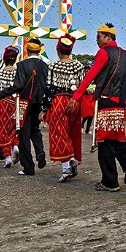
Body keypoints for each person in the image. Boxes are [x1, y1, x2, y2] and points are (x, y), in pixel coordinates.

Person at [68, 23, 126, 192]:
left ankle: (110, 182)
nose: (97, 40)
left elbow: (90, 76)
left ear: (108, 37)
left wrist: (76, 97)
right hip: (120, 103)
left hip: (106, 101)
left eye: (99, 36)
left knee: (104, 142)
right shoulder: (125, 54)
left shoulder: (104, 52)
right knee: (115, 137)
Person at [0, 38, 48, 175]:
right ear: (39, 50)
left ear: (27, 50)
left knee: (23, 134)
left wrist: (2, 93)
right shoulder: (44, 66)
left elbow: (18, 85)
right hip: (38, 102)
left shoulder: (22, 65)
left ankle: (28, 167)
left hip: (24, 103)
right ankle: (40, 152)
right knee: (35, 130)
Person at [46, 35, 86, 182]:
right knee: (71, 131)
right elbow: (82, 84)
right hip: (75, 100)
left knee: (59, 133)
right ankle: (71, 161)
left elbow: (49, 88)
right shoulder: (78, 65)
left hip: (59, 101)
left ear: (58, 50)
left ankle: (67, 165)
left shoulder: (53, 66)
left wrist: (45, 108)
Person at [0, 46, 21, 168]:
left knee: (2, 129)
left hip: (3, 102)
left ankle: (7, 157)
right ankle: (15, 146)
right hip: (16, 101)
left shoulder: (0, 72)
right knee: (14, 126)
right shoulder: (18, 72)